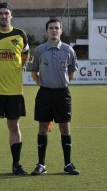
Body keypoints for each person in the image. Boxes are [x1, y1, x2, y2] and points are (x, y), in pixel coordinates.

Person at [0, 2, 29, 176]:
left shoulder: (20, 34)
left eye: (6, 13)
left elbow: (25, 56)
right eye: (0, 13)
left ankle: (16, 165)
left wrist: (14, 68)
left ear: (11, 16)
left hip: (15, 90)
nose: (3, 16)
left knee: (14, 126)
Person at [27, 18, 80, 175]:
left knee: (64, 127)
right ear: (46, 31)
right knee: (43, 128)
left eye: (57, 28)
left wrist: (62, 84)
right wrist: (44, 85)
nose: (54, 30)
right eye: (51, 28)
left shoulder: (68, 50)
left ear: (61, 31)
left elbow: (72, 71)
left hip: (62, 94)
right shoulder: (40, 50)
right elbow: (33, 71)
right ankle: (41, 165)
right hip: (44, 93)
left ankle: (67, 164)